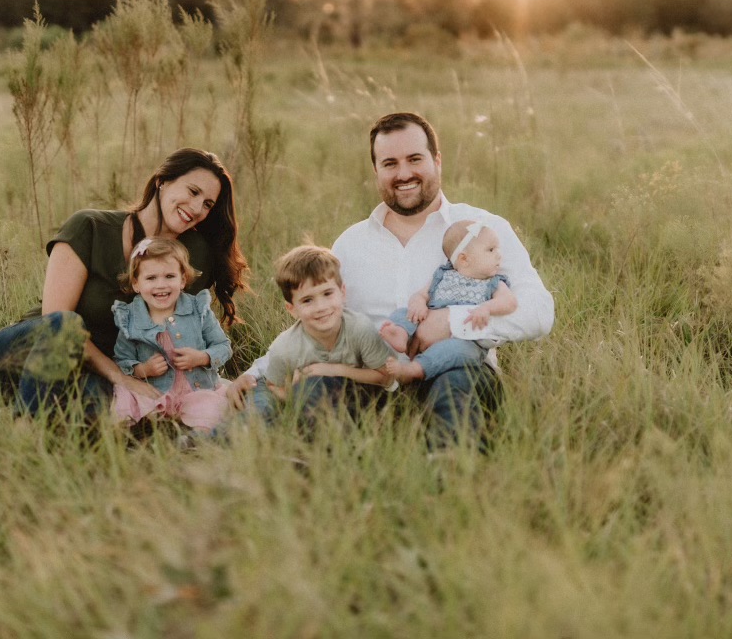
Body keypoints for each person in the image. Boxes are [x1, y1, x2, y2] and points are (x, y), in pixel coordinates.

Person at [229, 112, 553, 444]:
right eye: (390, 163)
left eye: (415, 159)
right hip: (370, 380)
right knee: (316, 391)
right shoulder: (351, 244)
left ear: (437, 161)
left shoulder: (482, 229)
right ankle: (330, 477)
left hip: (453, 371)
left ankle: (453, 474)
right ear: (376, 171)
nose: (404, 174)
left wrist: (453, 323)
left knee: (458, 386)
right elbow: (316, 324)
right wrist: (255, 373)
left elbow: (539, 311)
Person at [0, 148, 249, 422]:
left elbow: (181, 330)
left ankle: (39, 419)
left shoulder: (194, 255)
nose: (196, 208)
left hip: (96, 373)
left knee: (109, 407)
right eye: (193, 192)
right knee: (66, 326)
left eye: (207, 204)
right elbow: (55, 322)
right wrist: (121, 378)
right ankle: (26, 432)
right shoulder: (89, 226)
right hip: (26, 353)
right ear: (162, 181)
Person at [258, 245, 397, 418]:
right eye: (307, 300)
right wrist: (297, 399)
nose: (321, 307)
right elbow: (272, 385)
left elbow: (386, 378)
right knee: (311, 387)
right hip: (316, 408)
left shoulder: (359, 328)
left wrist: (332, 370)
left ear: (342, 293)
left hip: (365, 401)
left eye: (327, 293)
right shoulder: (285, 347)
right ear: (292, 309)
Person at [110, 238, 231, 431]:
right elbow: (122, 359)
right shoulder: (130, 318)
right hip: (154, 392)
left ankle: (197, 437)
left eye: (169, 276)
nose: (161, 285)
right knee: (124, 395)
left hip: (196, 390)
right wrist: (143, 369)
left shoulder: (198, 310)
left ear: (182, 280)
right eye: (151, 278)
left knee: (211, 409)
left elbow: (223, 346)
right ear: (136, 284)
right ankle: (133, 432)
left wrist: (201, 357)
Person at [380, 219, 517, 384]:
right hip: (425, 324)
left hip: (463, 342)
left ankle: (415, 369)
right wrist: (419, 302)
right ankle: (400, 334)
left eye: (498, 249)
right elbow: (422, 294)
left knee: (455, 350)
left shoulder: (493, 282)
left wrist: (487, 308)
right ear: (464, 259)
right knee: (404, 313)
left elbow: (509, 301)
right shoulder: (443, 274)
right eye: (491, 249)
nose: (498, 254)